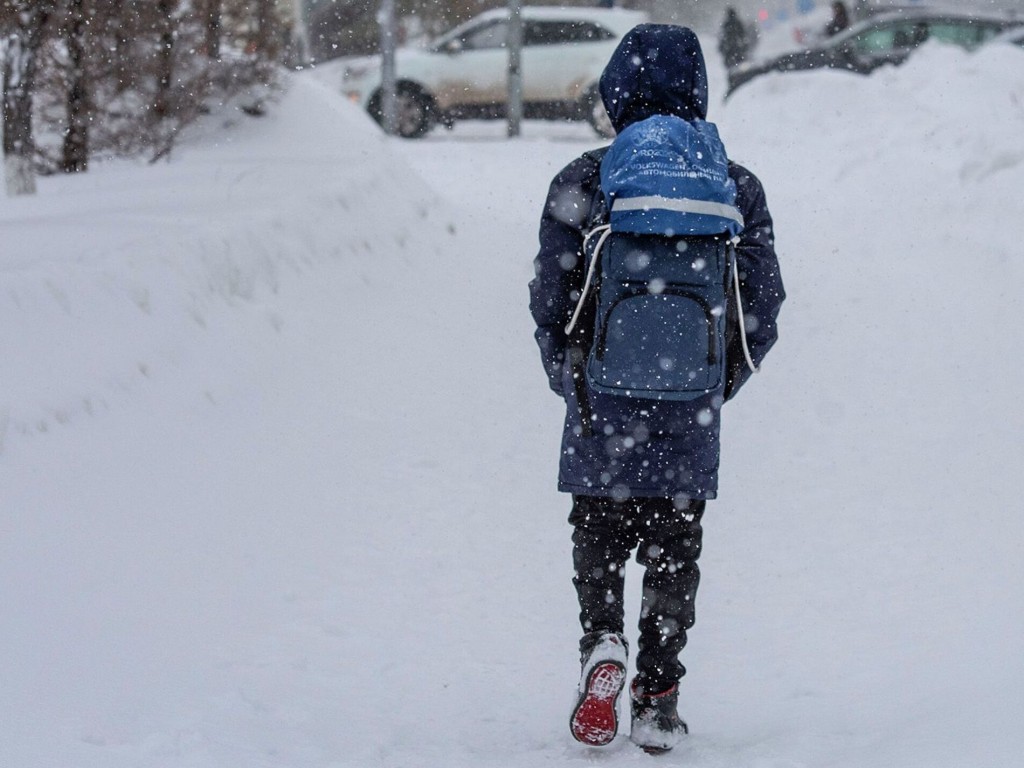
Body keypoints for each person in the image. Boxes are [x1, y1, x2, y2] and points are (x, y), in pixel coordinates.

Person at [528, 24, 786, 754]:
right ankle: (658, 698)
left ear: (617, 92)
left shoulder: (587, 177)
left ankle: (602, 641)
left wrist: (569, 376)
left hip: (601, 396)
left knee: (600, 532)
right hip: (690, 398)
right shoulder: (734, 186)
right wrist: (716, 383)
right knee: (676, 546)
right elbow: (763, 303)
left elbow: (550, 292)